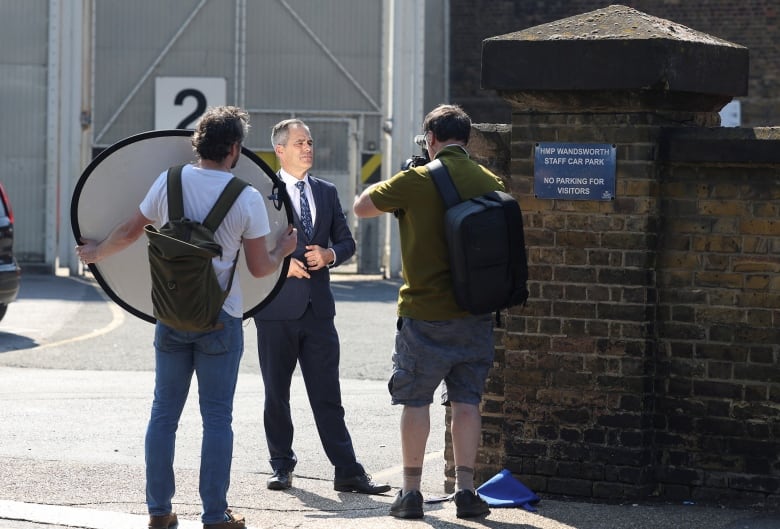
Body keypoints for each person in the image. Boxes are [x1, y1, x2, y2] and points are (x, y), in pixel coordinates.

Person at [76, 106, 297, 529]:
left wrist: (94, 253)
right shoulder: (246, 197)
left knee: (163, 415)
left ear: (200, 144)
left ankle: (159, 512)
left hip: (171, 317)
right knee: (217, 419)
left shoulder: (168, 182)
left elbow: (129, 231)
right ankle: (215, 515)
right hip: (221, 320)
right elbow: (259, 269)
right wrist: (282, 251)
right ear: (234, 148)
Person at [353, 104, 500, 519]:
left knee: (416, 401)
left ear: (431, 139)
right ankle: (467, 490)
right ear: (467, 140)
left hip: (424, 312)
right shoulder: (488, 179)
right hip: (474, 312)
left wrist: (406, 180)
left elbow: (362, 206)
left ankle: (412, 492)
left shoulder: (414, 181)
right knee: (467, 402)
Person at [252, 118, 390, 495]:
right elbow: (247, 246)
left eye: (310, 141)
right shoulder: (262, 192)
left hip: (319, 312)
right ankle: (281, 466)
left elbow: (347, 242)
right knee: (276, 394)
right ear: (280, 150)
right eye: (299, 143)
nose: (308, 148)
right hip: (276, 310)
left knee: (328, 395)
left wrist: (330, 254)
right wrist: (281, 266)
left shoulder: (327, 192)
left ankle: (347, 470)